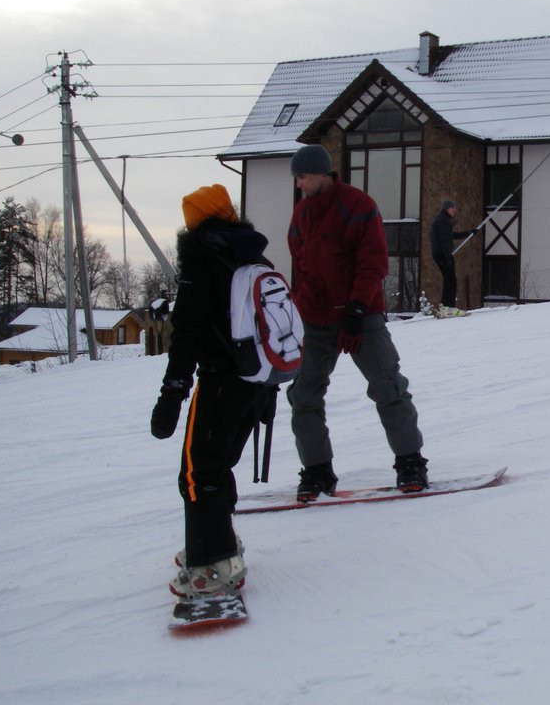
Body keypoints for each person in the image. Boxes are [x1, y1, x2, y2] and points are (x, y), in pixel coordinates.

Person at [150, 184, 276, 598]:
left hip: (222, 381)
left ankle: (214, 567)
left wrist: (173, 391)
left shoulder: (201, 261)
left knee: (198, 471)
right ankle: (220, 545)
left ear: (196, 222)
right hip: (257, 380)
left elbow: (186, 333)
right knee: (217, 465)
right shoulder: (254, 256)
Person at [286, 144, 428, 500]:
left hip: (361, 316)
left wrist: (356, 310)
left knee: (388, 386)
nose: (299, 183)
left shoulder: (358, 206)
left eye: (302, 176)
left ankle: (410, 462)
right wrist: (298, 315)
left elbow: (373, 262)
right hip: (316, 320)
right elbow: (301, 270)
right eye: (296, 178)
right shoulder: (301, 215)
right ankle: (317, 471)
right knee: (303, 395)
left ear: (322, 172)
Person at [429, 199, 475, 314]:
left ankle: (445, 306)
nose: (455, 210)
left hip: (440, 254)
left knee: (449, 279)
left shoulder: (442, 220)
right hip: (442, 254)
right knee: (451, 280)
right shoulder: (443, 220)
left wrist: (468, 233)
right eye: (453, 208)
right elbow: (444, 240)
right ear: (447, 209)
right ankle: (447, 307)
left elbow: (450, 236)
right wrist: (447, 258)